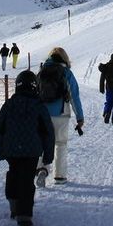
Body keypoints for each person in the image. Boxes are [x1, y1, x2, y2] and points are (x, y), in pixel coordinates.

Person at [0, 70, 55, 226]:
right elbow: (48, 132)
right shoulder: (39, 106)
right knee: (27, 180)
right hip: (32, 151)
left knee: (14, 173)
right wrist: (48, 155)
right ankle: (24, 216)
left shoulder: (9, 104)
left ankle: (14, 205)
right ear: (35, 87)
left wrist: (1, 150)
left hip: (11, 150)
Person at [37, 47, 85, 185]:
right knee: (60, 144)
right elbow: (74, 96)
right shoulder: (66, 73)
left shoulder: (42, 71)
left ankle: (42, 169)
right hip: (61, 113)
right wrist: (80, 117)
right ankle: (59, 176)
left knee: (43, 143)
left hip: (43, 114)